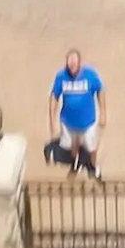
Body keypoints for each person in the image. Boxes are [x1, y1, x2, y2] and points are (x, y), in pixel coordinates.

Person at [48, 49, 106, 180]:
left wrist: (103, 112)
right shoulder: (61, 76)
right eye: (70, 64)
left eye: (75, 64)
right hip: (68, 122)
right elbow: (54, 96)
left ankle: (92, 165)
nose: (72, 67)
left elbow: (100, 90)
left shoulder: (90, 75)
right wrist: (52, 119)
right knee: (72, 145)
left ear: (80, 63)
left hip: (88, 122)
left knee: (91, 146)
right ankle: (76, 163)